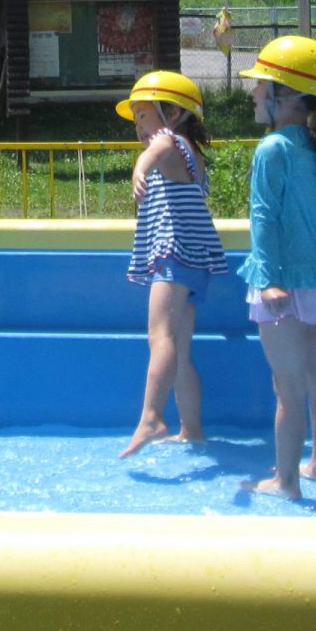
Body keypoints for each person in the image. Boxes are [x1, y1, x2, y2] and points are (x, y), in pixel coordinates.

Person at [237, 37, 316, 499]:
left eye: (261, 84)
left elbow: (262, 218)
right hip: (315, 279)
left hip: (280, 279)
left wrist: (269, 280)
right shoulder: (311, 150)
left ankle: (286, 481)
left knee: (287, 386)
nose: (253, 92)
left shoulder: (272, 149)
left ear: (284, 94)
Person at [117, 69, 227, 458]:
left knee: (159, 337)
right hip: (194, 261)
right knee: (178, 349)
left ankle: (151, 417)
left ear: (174, 114)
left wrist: (139, 168)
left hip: (174, 257)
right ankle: (192, 430)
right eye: (136, 120)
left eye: (143, 116)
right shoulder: (192, 156)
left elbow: (155, 150)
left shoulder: (169, 142)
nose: (139, 128)